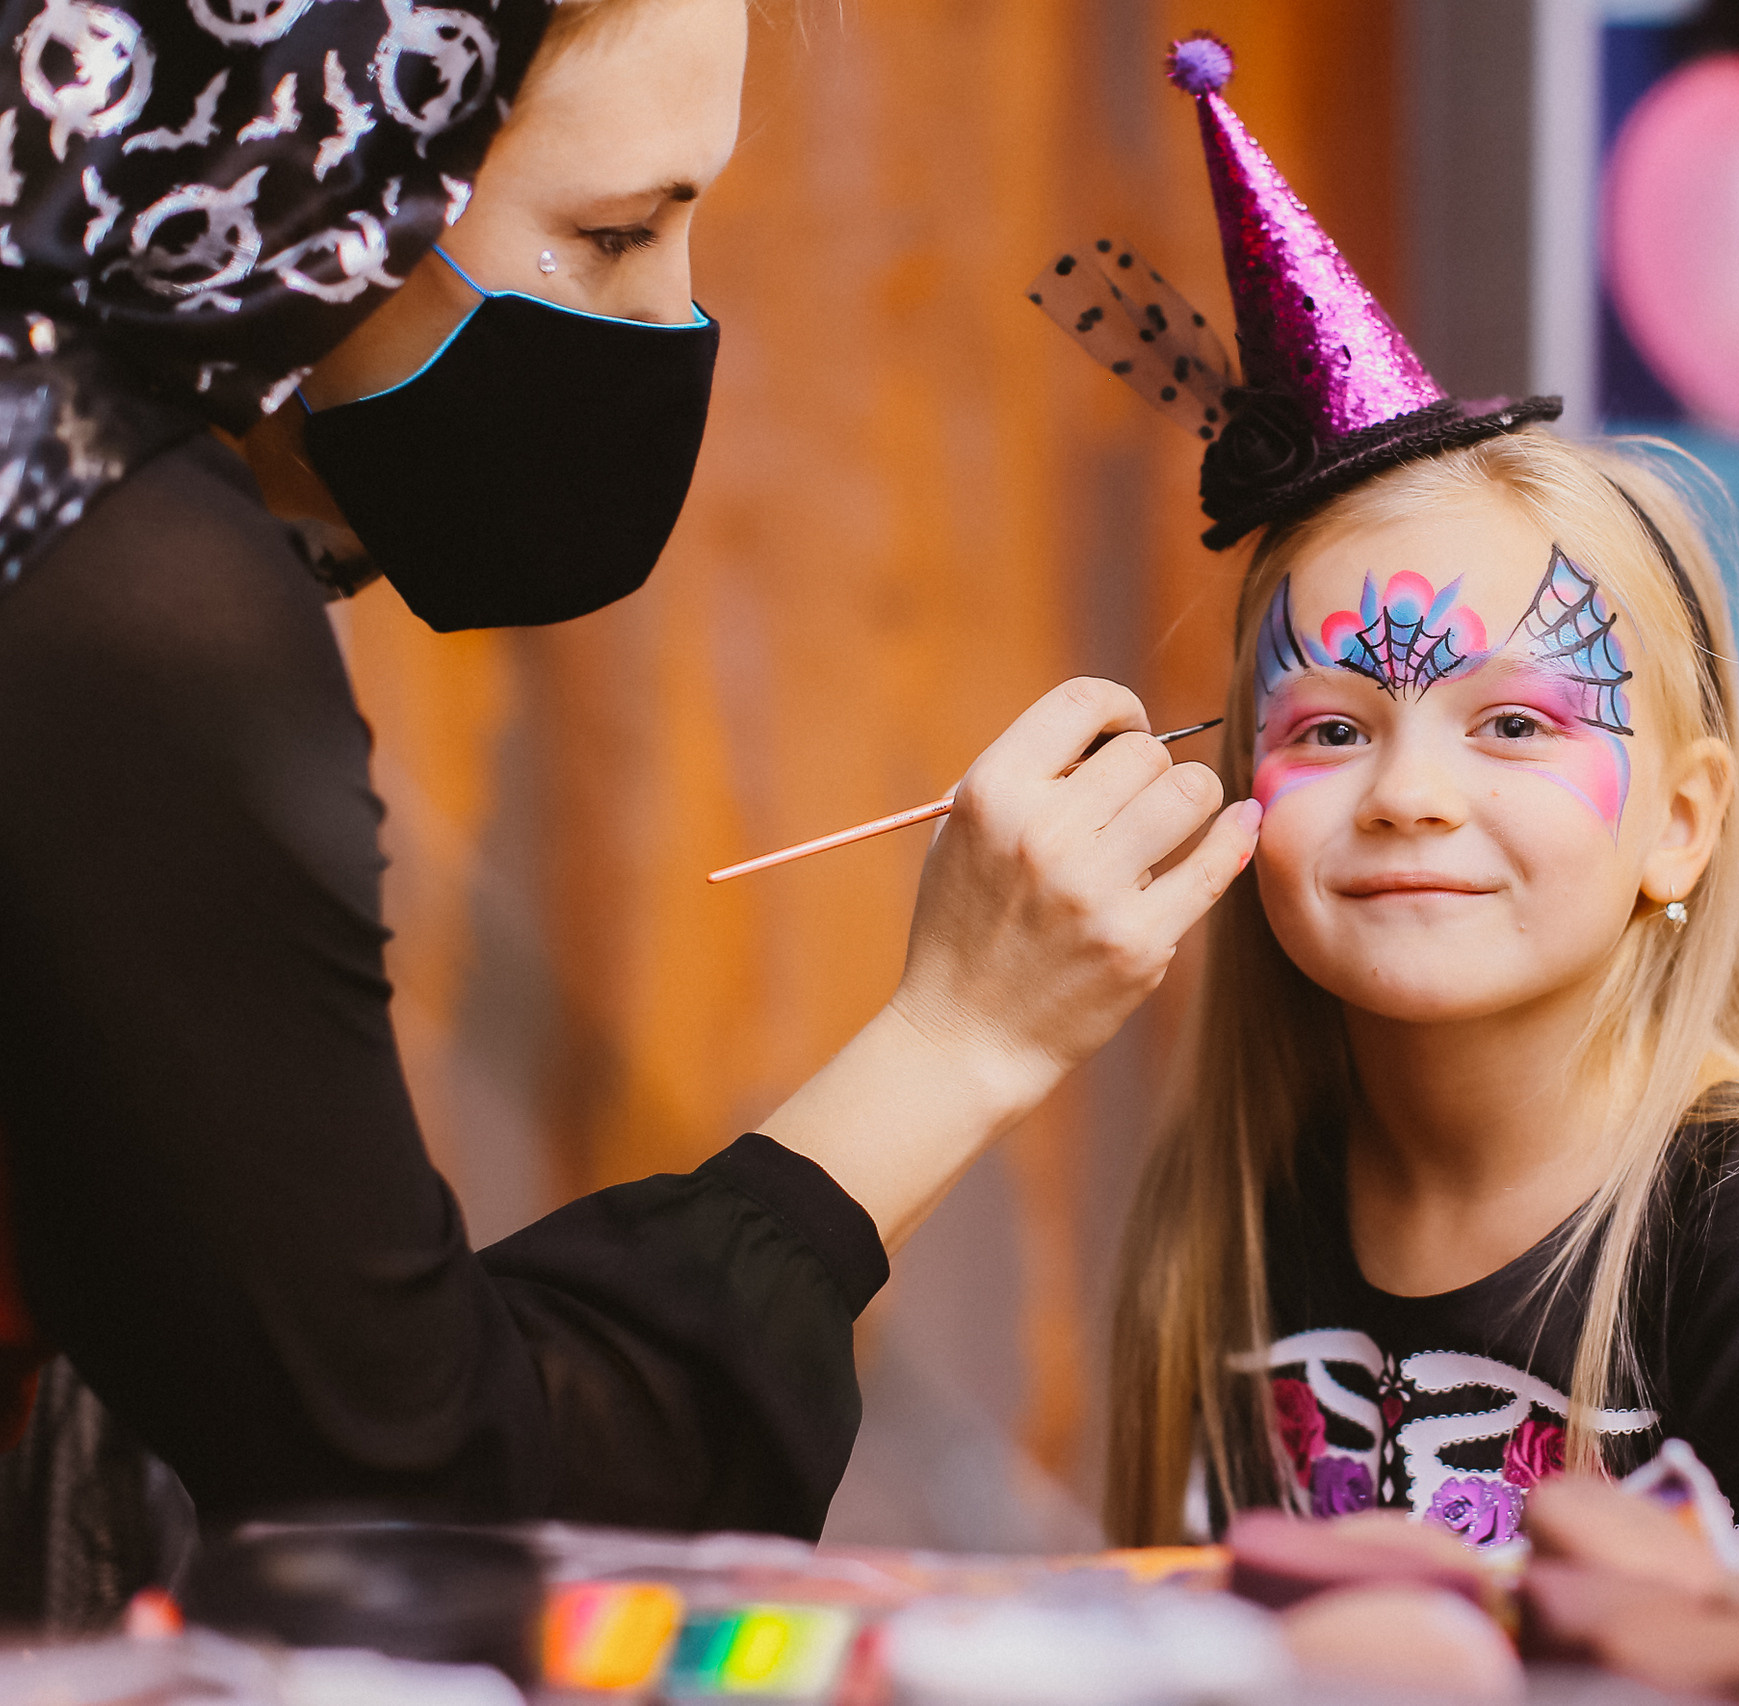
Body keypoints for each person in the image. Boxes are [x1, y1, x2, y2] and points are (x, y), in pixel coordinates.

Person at [0, 0, 1258, 1616]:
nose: (670, 323)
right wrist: (963, 1037)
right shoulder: (129, 600)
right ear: (318, 169)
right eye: (608, 234)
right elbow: (416, 1496)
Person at [1086, 36, 1739, 1555]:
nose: (1410, 792)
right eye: (1333, 729)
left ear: (1681, 817)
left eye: (1518, 722)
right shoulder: (1247, 1200)